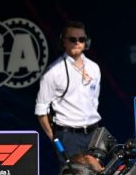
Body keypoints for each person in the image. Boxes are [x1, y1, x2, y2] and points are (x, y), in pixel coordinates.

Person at [35, 21, 102, 157]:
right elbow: (41, 110)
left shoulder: (94, 68)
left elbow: (94, 101)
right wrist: (55, 140)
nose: (77, 42)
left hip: (93, 134)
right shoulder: (53, 72)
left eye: (81, 39)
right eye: (72, 39)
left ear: (86, 42)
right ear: (63, 42)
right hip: (68, 137)